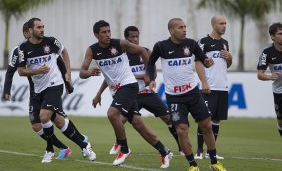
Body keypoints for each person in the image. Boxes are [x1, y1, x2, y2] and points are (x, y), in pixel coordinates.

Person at [79, 20, 172, 168]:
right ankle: (164, 151)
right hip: (116, 91)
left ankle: (124, 149)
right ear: (96, 35)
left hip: (128, 85)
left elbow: (142, 50)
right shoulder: (92, 50)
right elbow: (82, 73)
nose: (108, 35)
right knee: (137, 124)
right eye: (104, 32)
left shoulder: (120, 44)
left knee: (112, 114)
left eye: (109, 31)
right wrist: (89, 72)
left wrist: (149, 74)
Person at [147, 18, 227, 171]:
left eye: (185, 27)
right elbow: (151, 63)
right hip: (174, 97)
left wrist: (207, 62)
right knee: (181, 130)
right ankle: (192, 165)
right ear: (171, 31)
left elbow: (202, 58)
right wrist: (152, 79)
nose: (184, 29)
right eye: (180, 27)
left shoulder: (191, 44)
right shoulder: (161, 46)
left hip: (193, 93)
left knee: (207, 126)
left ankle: (214, 162)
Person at [92, 25, 181, 155]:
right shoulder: (121, 53)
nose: (135, 39)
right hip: (131, 96)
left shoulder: (145, 51)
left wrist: (138, 76)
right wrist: (99, 93)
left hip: (147, 93)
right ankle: (120, 143)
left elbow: (153, 74)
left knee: (168, 118)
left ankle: (181, 146)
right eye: (132, 37)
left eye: (137, 36)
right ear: (126, 39)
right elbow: (110, 78)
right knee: (119, 119)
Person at [17, 18, 96, 163]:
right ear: (30, 31)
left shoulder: (51, 42)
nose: (42, 29)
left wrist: (68, 74)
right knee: (58, 122)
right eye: (39, 27)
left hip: (54, 85)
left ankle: (49, 150)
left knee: (44, 117)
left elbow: (64, 52)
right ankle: (85, 145)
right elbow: (21, 71)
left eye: (43, 26)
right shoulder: (22, 49)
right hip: (38, 90)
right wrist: (37, 71)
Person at [2, 22, 76, 161]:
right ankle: (63, 147)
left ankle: (80, 141)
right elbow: (11, 71)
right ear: (26, 33)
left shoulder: (46, 46)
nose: (28, 35)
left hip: (50, 86)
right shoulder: (18, 50)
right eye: (26, 33)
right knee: (36, 125)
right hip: (34, 90)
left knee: (53, 118)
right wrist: (6, 90)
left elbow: (59, 61)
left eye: (42, 28)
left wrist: (67, 81)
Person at [194, 15, 232, 160]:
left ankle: (212, 152)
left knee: (216, 120)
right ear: (213, 25)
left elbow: (227, 65)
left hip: (222, 87)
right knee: (205, 119)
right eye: (221, 23)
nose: (224, 26)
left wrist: (229, 57)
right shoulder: (203, 42)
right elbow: (198, 62)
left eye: (225, 23)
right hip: (209, 86)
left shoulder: (225, 43)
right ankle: (199, 151)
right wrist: (204, 82)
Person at [257, 22, 282, 139]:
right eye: (280, 33)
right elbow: (260, 74)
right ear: (272, 36)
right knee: (281, 122)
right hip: (279, 91)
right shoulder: (267, 52)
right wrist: (269, 77)